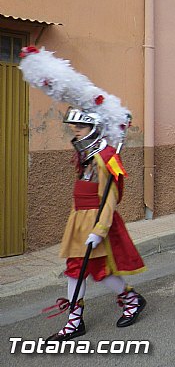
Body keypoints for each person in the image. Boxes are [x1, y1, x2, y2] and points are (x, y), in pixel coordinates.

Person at [19, 46, 146, 341]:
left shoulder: (107, 156)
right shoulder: (85, 155)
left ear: (93, 127)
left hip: (96, 221)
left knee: (101, 269)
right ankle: (76, 320)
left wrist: (99, 229)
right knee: (76, 268)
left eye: (79, 126)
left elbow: (110, 196)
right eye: (74, 126)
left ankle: (130, 300)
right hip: (80, 219)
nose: (75, 131)